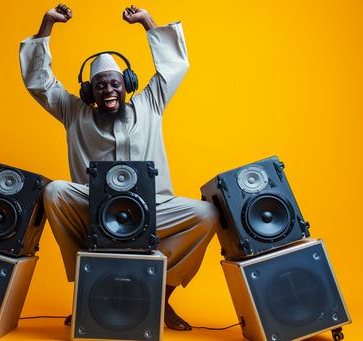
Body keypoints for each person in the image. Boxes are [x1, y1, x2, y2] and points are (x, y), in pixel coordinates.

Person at [19, 4, 219, 331]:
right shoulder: (73, 111)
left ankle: (161, 299)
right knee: (54, 191)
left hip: (154, 205)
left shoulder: (150, 102)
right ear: (89, 91)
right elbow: (40, 83)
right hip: (94, 206)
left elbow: (173, 66)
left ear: (126, 83)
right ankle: (86, 293)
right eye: (100, 86)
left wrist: (146, 22)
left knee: (207, 215)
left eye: (114, 84)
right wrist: (47, 25)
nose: (109, 91)